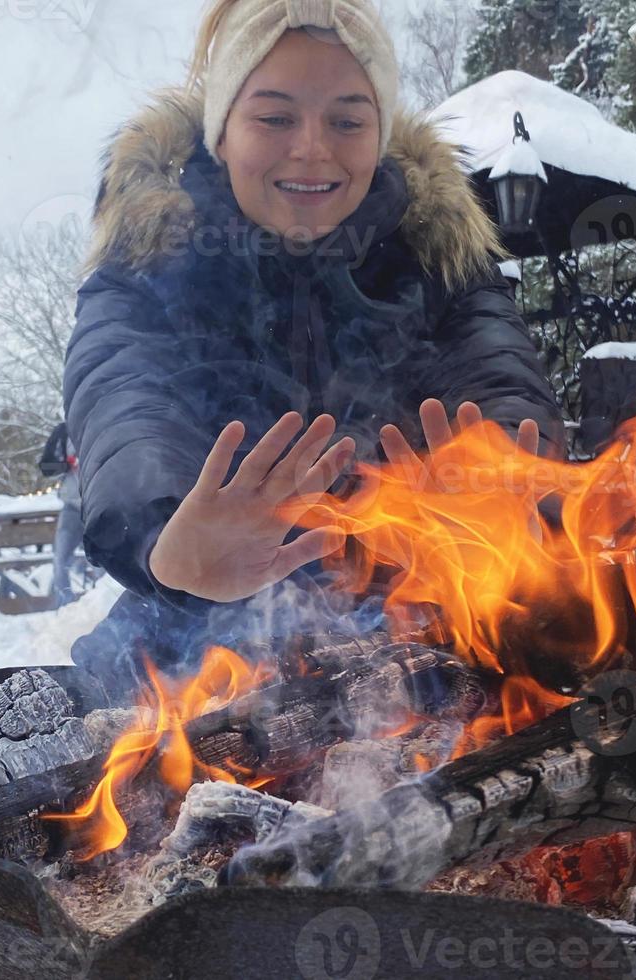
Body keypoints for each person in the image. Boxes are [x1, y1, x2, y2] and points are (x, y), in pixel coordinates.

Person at [64, 0, 565, 697]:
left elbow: (502, 380)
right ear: (222, 136)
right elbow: (122, 397)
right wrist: (165, 534)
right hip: (197, 642)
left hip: (417, 639)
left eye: (347, 120)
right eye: (273, 117)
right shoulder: (145, 271)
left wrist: (503, 483)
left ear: (380, 134)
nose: (311, 148)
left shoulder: (442, 264)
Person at [40, 421, 84, 606]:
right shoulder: (64, 431)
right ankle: (64, 606)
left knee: (107, 562)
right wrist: (66, 465)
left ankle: (105, 607)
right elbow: (46, 466)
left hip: (101, 507)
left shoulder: (105, 422)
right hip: (72, 506)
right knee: (60, 558)